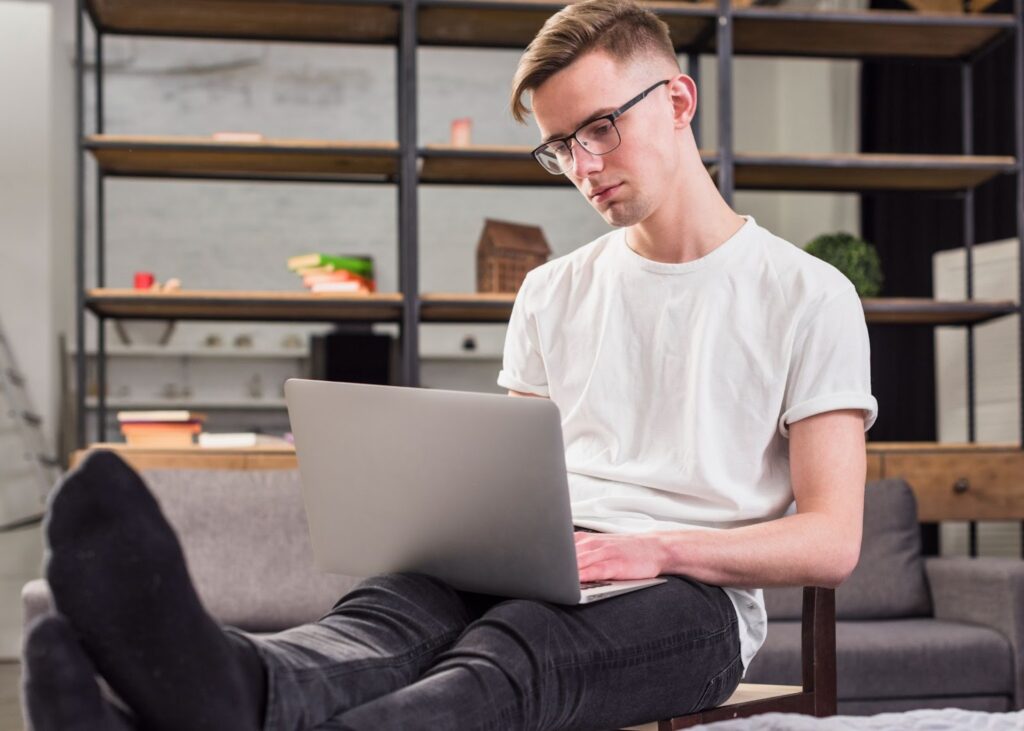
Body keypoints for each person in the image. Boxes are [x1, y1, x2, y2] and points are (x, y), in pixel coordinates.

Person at [23, 1, 877, 729]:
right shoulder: (550, 291)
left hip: (692, 604)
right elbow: (512, 487)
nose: (583, 168)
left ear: (679, 100)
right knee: (385, 614)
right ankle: (228, 679)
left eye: (600, 128)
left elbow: (832, 540)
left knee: (517, 652)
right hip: (545, 568)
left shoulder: (810, 295)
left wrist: (653, 548)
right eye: (560, 146)